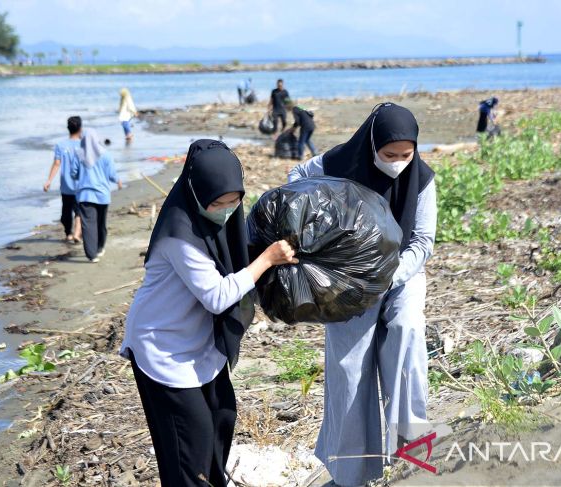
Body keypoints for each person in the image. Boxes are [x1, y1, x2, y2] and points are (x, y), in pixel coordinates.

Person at [120, 139, 297, 486]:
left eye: (235, 201)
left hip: (198, 343)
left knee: (221, 421)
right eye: (218, 203)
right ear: (196, 193)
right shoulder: (179, 235)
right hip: (163, 348)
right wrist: (267, 259)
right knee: (188, 448)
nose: (227, 210)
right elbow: (217, 296)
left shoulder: (218, 218)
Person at [288, 103, 437, 486]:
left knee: (407, 335)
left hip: (400, 274)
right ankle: (350, 474)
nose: (399, 163)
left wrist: (389, 277)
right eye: (390, 156)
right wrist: (312, 222)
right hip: (348, 280)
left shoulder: (421, 179)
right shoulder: (339, 162)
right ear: (371, 145)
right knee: (349, 367)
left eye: (407, 155)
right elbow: (297, 178)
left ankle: (413, 456)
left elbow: (422, 242)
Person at [71, 129, 122, 263]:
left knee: (88, 225)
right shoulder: (105, 155)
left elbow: (73, 174)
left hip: (85, 195)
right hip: (102, 195)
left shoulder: (78, 154)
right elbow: (111, 174)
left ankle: (91, 255)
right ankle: (99, 248)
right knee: (101, 223)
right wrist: (118, 180)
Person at [43, 116, 83, 244]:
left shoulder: (61, 145)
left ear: (68, 129)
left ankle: (69, 234)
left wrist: (49, 180)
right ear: (80, 129)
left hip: (66, 185)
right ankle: (77, 233)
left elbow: (56, 163)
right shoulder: (83, 145)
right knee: (79, 211)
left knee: (66, 212)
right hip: (81, 184)